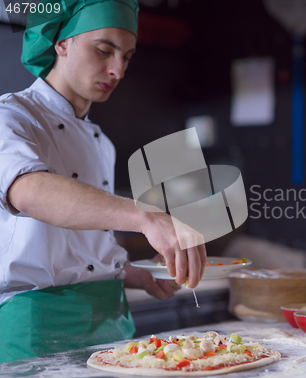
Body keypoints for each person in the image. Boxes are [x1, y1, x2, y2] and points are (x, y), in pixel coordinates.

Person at [0, 0, 206, 363]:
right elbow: (30, 191)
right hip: (36, 327)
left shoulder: (101, 143)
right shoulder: (12, 117)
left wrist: (136, 275)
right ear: (61, 42)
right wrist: (147, 217)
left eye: (126, 56)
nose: (118, 69)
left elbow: (79, 247)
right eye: (103, 50)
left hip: (112, 321)